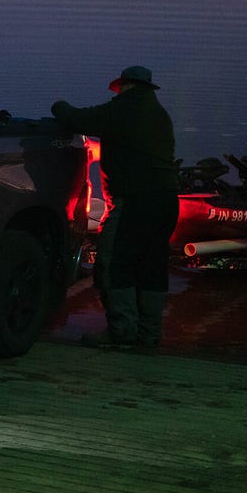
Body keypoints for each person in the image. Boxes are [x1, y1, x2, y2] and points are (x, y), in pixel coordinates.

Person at [52, 65, 179, 348]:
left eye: (120, 89)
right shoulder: (160, 115)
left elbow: (78, 118)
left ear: (126, 86)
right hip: (166, 201)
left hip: (135, 201)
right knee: (152, 267)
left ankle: (121, 333)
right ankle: (148, 334)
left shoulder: (125, 108)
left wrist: (57, 104)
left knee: (112, 264)